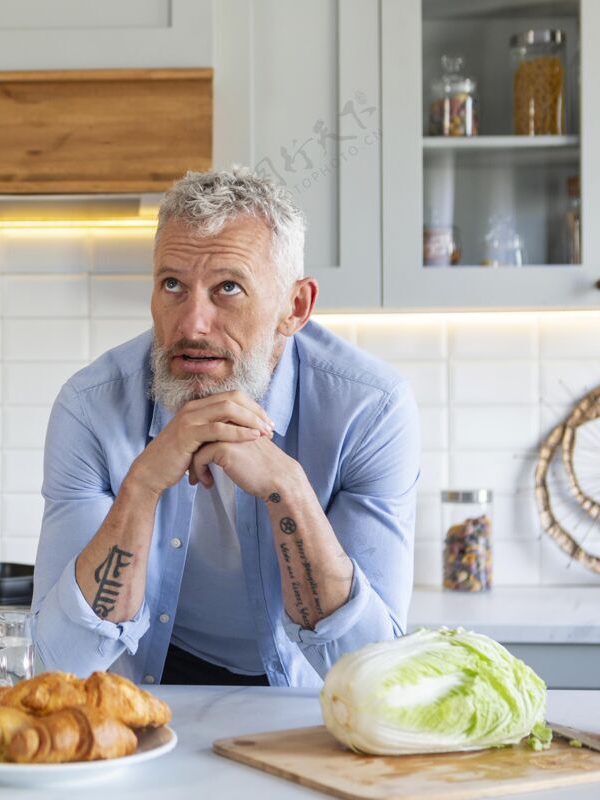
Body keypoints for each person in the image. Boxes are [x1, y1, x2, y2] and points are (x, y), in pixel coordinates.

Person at [31, 168, 420, 688]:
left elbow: (377, 670)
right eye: (173, 285)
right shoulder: (90, 406)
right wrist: (142, 485)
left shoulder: (368, 408)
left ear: (295, 307)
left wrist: (287, 488)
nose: (191, 324)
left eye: (228, 288)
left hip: (304, 698)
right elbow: (56, 665)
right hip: (147, 692)